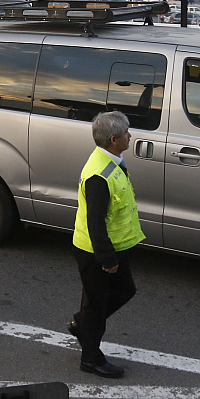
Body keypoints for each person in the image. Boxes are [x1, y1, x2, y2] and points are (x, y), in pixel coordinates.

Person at [68, 111, 144, 379]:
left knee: (124, 291)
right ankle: (91, 358)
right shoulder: (99, 175)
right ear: (114, 139)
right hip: (96, 252)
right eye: (126, 133)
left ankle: (82, 323)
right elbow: (95, 221)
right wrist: (107, 258)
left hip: (113, 247)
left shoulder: (110, 159)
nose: (130, 136)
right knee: (96, 307)